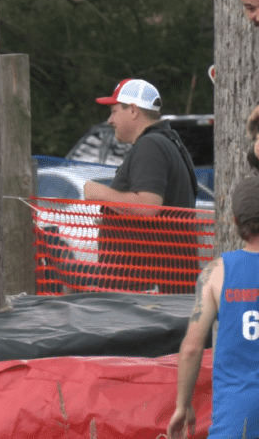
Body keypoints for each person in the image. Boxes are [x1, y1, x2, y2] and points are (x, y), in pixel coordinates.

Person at [84, 78, 198, 292]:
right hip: (157, 289)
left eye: (114, 111)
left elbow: (147, 206)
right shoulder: (167, 142)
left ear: (133, 110)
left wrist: (97, 192)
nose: (110, 120)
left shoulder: (151, 145)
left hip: (146, 295)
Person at [167, 176, 259, 439]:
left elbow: (192, 348)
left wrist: (182, 406)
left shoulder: (217, 272)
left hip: (236, 416)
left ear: (235, 222)